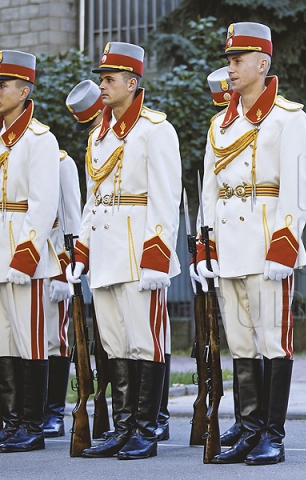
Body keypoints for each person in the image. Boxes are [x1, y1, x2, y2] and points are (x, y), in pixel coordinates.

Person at [193, 21, 306, 465]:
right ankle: (247, 427)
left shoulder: (286, 118)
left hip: (265, 246)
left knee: (272, 342)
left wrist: (284, 244)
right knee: (241, 342)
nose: (231, 67)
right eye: (229, 60)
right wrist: (205, 249)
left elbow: (296, 190)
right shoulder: (220, 123)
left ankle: (271, 434)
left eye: (238, 59)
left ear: (263, 63)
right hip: (228, 246)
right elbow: (209, 191)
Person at [65, 42, 182, 460]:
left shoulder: (155, 129)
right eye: (102, 78)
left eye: (110, 79)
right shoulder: (100, 132)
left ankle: (146, 430)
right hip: (105, 253)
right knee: (114, 344)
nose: (103, 85)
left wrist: (157, 256)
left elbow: (166, 199)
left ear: (133, 84)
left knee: (144, 343)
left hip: (138, 252)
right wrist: (81, 250)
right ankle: (123, 427)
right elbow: (92, 200)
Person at [0, 50, 61, 453]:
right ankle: (10, 420)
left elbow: (42, 204)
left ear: (24, 91)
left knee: (31, 341)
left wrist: (25, 254)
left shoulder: (40, 139)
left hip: (26, 256)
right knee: (3, 341)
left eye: (3, 84)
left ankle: (32, 425)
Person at [39, 147, 81, 438]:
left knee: (53, 339)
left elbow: (71, 222)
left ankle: (53, 411)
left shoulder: (59, 162)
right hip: (9, 265)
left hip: (49, 263)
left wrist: (64, 271)